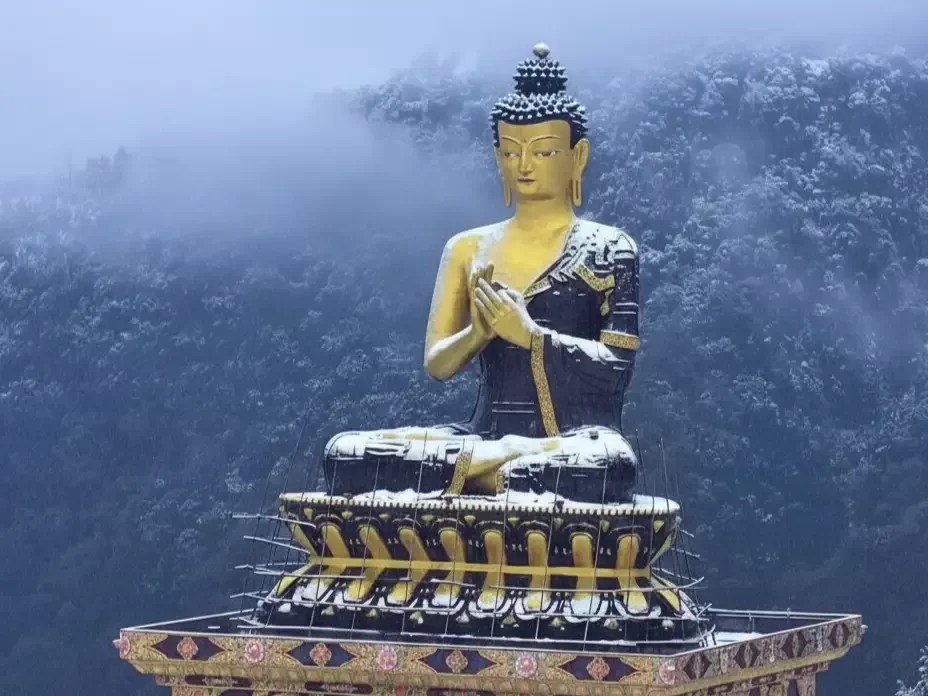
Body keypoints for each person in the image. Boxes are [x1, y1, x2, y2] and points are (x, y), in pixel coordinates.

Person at [323, 43, 641, 503]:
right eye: (511, 152)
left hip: (572, 444)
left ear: (578, 156)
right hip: (484, 436)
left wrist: (531, 336)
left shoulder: (610, 248)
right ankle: (492, 474)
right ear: (498, 157)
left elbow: (616, 370)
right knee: (346, 454)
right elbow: (438, 363)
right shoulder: (467, 247)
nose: (525, 165)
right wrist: (478, 332)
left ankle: (477, 476)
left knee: (610, 466)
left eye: (545, 152)